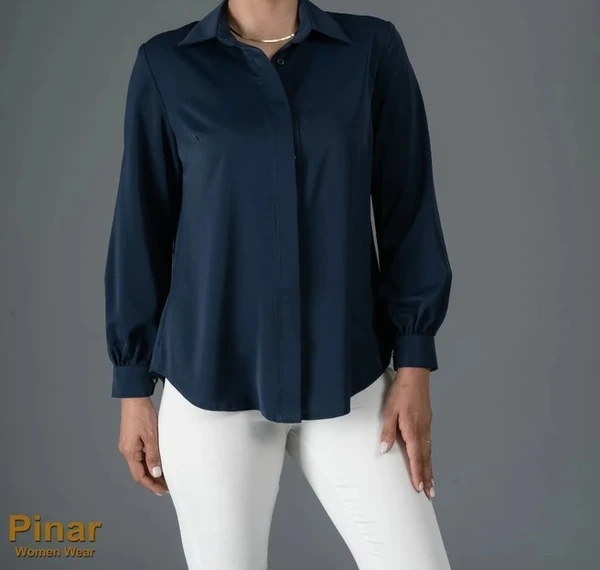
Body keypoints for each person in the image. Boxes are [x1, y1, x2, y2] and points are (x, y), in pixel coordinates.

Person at [103, 0, 453, 568]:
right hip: (210, 383)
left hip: (348, 375)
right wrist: (132, 388)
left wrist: (414, 365)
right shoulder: (165, 65)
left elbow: (408, 209)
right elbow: (140, 230)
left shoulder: (370, 51)